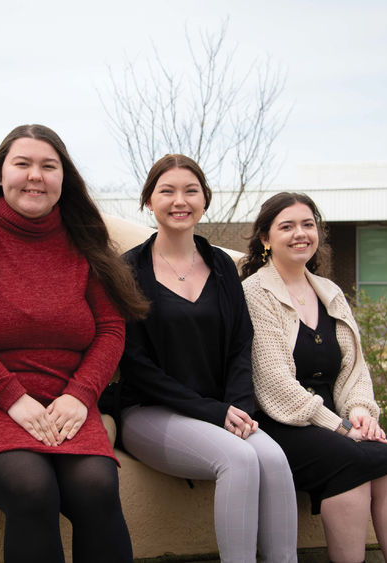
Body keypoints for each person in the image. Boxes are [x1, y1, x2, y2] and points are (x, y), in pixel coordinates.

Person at [0, 124, 148, 563]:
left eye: (49, 166)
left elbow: (110, 329)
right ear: (1, 174)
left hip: (65, 398)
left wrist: (81, 395)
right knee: (32, 488)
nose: (35, 176)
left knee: (97, 487)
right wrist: (12, 399)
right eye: (22, 164)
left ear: (64, 179)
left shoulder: (86, 242)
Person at [114, 154, 298, 563]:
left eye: (190, 191)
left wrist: (238, 408)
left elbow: (240, 345)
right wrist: (214, 412)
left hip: (221, 410)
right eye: (167, 191)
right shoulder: (129, 270)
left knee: (272, 458)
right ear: (149, 201)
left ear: (204, 200)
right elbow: (137, 366)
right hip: (150, 412)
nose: (180, 200)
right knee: (239, 461)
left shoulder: (221, 266)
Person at [240, 192, 387, 563]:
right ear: (265, 239)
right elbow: (273, 382)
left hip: (336, 423)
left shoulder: (330, 293)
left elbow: (356, 368)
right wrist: (339, 426)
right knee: (349, 464)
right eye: (286, 227)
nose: (299, 234)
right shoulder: (255, 293)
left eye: (307, 224)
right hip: (281, 422)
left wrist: (360, 413)